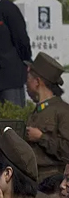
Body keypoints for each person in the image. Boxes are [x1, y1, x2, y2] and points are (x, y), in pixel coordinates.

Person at [23, 52, 69, 187]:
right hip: (34, 179)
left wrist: (41, 137)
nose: (26, 84)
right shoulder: (38, 110)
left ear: (37, 82)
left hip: (52, 183)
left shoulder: (62, 111)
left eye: (29, 79)